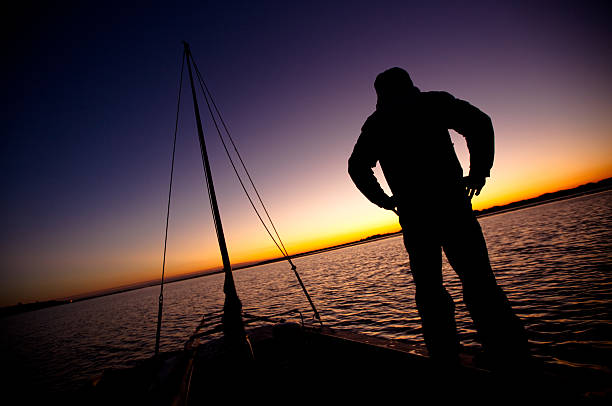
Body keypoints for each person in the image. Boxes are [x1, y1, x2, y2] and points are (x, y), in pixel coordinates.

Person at [348, 67, 528, 367]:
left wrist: (384, 201)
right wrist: (479, 171)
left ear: (380, 94)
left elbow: (357, 166)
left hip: (417, 216)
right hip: (451, 207)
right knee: (478, 282)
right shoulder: (432, 103)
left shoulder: (378, 122)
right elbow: (479, 122)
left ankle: (444, 354)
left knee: (430, 289)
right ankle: (509, 352)